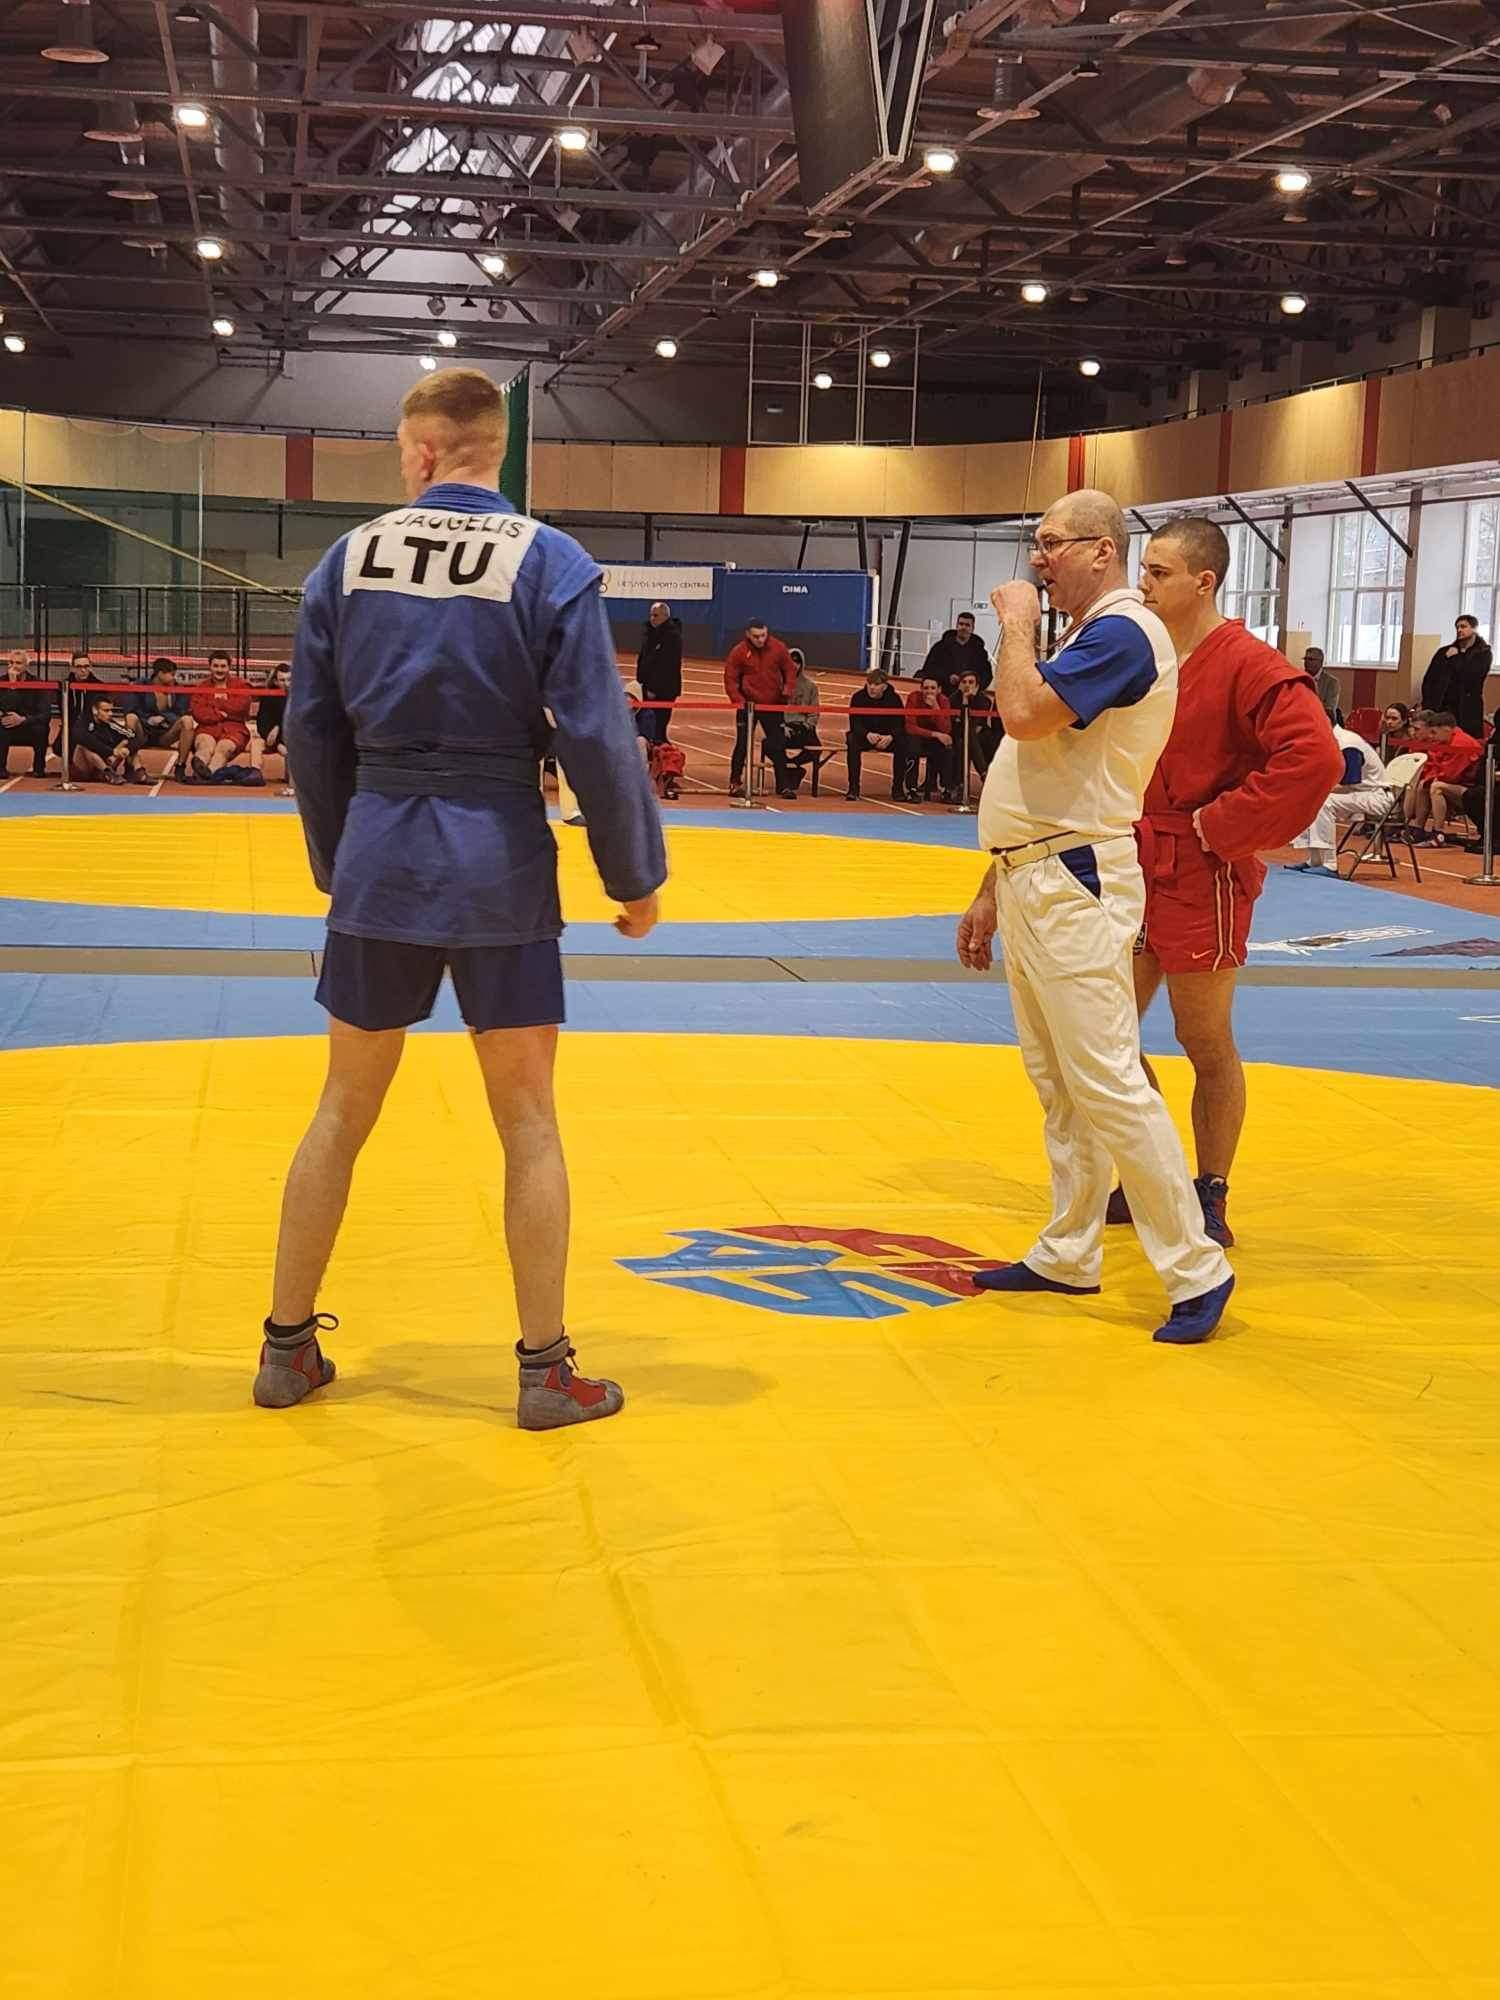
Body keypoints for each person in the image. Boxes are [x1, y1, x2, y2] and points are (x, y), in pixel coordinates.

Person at [260, 366, 665, 1431]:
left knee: (340, 1108)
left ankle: (285, 1349)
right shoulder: (551, 560)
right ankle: (545, 1372)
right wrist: (632, 873)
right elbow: (596, 734)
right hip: (499, 861)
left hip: (381, 854)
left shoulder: (349, 558)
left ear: (424, 451)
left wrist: (339, 861)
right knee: (528, 1120)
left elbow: (309, 730)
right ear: (497, 449)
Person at [955, 489, 1234, 1345]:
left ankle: (1197, 1267)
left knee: (1107, 1078)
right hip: (1036, 870)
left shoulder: (1124, 632)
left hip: (1073, 879)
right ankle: (1069, 1249)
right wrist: (992, 887)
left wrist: (1014, 625)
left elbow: (1023, 715)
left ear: (1100, 551)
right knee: (1061, 1082)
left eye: (1052, 543)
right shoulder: (1093, 635)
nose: (1037, 559)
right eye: (1036, 544)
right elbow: (1039, 778)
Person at [1111, 517, 1341, 1249]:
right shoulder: (1144, 652)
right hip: (1131, 858)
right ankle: (1151, 1173)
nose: (1143, 584)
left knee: (1202, 1037)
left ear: (1203, 581)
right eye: (1143, 570)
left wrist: (1223, 826)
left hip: (1200, 867)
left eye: (1158, 572)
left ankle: (1210, 1189)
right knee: (1103, 1035)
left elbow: (1316, 758)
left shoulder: (1249, 663)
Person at [1286, 724, 1397, 873]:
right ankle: (1315, 860)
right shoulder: (1329, 742)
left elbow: (1349, 782)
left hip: (1376, 796)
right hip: (1359, 793)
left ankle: (1330, 865)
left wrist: (1314, 791)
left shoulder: (1348, 744)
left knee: (1322, 802)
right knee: (1308, 800)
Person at [724, 618, 797, 797]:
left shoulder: (778, 648)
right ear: (748, 634)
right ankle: (735, 783)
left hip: (773, 705)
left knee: (778, 744)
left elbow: (790, 670)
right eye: (756, 636)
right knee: (742, 744)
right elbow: (730, 678)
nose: (760, 640)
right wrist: (738, 701)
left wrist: (787, 691)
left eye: (763, 635)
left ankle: (784, 786)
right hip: (747, 706)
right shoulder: (739, 652)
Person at [1406, 710, 1484, 845]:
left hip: (1472, 791)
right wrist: (1429, 779)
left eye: (1434, 732)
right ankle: (1418, 829)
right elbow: (1432, 766)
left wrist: (1432, 778)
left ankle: (1438, 833)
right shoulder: (1443, 741)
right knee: (1423, 785)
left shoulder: (1461, 743)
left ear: (1446, 729)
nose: (1431, 736)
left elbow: (1450, 776)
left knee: (1437, 787)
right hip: (1456, 784)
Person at [188, 650, 264, 784]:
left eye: (223, 666)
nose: (219, 670)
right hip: (207, 728)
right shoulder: (201, 687)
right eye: (216, 666)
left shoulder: (241, 685)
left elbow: (241, 707)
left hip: (234, 730)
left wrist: (215, 705)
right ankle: (202, 769)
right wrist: (222, 713)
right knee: (205, 745)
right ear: (210, 667)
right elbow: (198, 713)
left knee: (223, 748)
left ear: (229, 667)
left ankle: (207, 775)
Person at [843, 662, 906, 802]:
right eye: (869, 683)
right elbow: (855, 723)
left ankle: (898, 789)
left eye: (876, 684)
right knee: (852, 740)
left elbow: (900, 724)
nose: (872, 687)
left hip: (887, 738)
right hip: (865, 736)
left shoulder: (894, 699)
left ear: (884, 686)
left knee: (903, 743)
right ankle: (853, 788)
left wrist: (890, 736)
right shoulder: (858, 697)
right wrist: (867, 734)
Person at [1421, 615, 1492, 738]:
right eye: (1457, 627)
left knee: (1464, 741)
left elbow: (1471, 677)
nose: (1459, 630)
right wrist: (1427, 703)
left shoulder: (1483, 653)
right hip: (1442, 706)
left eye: (1463, 626)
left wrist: (1455, 658)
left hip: (1467, 708)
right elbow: (1429, 679)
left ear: (1474, 629)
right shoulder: (1444, 652)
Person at [129, 657, 195, 772]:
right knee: (131, 718)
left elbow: (181, 712)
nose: (174, 678)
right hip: (143, 732)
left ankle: (180, 766)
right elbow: (131, 708)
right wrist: (148, 720)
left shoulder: (178, 689)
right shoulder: (140, 685)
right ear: (160, 674)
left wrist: (165, 718)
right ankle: (130, 763)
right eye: (171, 674)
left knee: (187, 720)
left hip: (165, 734)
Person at [902, 673, 954, 801]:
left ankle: (946, 789)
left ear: (939, 690)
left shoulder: (944, 701)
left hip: (935, 740)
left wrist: (936, 708)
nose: (929, 691)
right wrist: (935, 734)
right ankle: (912, 789)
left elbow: (946, 728)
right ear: (921, 689)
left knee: (948, 747)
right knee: (912, 745)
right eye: (926, 688)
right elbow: (910, 727)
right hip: (918, 737)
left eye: (932, 688)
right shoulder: (914, 698)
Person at [71, 696, 147, 784]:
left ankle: (139, 773)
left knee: (126, 742)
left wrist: (127, 750)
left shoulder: (110, 724)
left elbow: (134, 737)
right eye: (106, 711)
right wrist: (111, 751)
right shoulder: (83, 721)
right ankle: (108, 773)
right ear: (95, 710)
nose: (110, 714)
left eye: (111, 710)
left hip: (104, 764)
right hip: (84, 768)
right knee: (83, 746)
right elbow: (81, 738)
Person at [1, 648, 53, 777]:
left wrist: (23, 719)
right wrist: (12, 686)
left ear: (26, 665)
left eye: (18, 663)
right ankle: (1, 769)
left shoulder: (38, 683)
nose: (14, 666)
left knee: (41, 728)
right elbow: (6, 707)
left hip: (29, 725)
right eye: (11, 663)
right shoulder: (2, 681)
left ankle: (39, 769)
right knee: (1, 727)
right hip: (8, 725)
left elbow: (45, 714)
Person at [636, 602, 681, 747]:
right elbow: (643, 659)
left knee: (659, 729)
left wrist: (654, 688)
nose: (652, 618)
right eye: (651, 615)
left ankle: (661, 754)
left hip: (663, 690)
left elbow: (667, 666)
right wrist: (640, 681)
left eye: (656, 615)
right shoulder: (649, 634)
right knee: (647, 726)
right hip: (646, 687)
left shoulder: (672, 636)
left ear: (665, 616)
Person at [780, 648, 823, 795]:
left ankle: (791, 766)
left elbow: (814, 712)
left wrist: (807, 726)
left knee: (816, 749)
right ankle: (788, 774)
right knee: (770, 745)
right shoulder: (778, 684)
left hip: (803, 727)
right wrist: (782, 726)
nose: (794, 665)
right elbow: (773, 711)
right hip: (784, 727)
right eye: (791, 661)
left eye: (797, 662)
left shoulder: (810, 686)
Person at [920, 611, 991, 698]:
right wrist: (947, 677)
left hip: (970, 696)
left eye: (967, 625)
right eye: (961, 624)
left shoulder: (980, 652)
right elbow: (929, 669)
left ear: (972, 628)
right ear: (957, 626)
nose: (963, 627)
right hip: (944, 694)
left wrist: (975, 687)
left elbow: (987, 675)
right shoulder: (940, 647)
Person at [952, 668, 1001, 790]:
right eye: (964, 682)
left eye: (971, 682)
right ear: (959, 685)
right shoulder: (952, 700)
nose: (967, 685)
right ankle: (983, 772)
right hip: (959, 734)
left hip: (980, 734)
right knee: (964, 742)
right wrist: (964, 700)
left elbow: (977, 724)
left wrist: (972, 698)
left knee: (980, 738)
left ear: (977, 686)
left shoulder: (984, 700)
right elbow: (957, 725)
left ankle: (989, 775)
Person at [1302, 645, 1342, 723]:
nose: (1306, 662)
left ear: (1320, 662)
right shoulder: (1300, 679)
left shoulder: (1332, 683)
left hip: (1322, 722)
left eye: (1311, 659)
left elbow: (1329, 710)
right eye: (1305, 659)